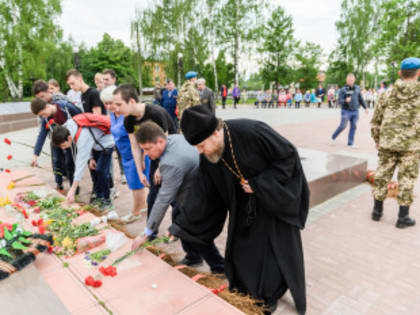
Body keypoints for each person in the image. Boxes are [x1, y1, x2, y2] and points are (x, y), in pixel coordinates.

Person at [170, 105, 310, 314]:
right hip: (244, 207)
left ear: (216, 132)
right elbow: (204, 193)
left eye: (201, 145)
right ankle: (249, 292)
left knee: (271, 254)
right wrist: (180, 225)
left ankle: (267, 296)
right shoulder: (209, 155)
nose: (200, 151)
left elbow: (288, 157)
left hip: (273, 202)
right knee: (241, 250)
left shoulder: (251, 131)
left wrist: (260, 184)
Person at [131, 122, 225, 273]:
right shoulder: (174, 138)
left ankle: (219, 267)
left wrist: (147, 233)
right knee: (177, 218)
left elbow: (162, 200)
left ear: (160, 141)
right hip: (192, 187)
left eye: (147, 149)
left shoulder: (171, 164)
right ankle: (193, 256)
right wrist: (160, 168)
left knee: (194, 231)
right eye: (143, 150)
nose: (146, 154)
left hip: (199, 195)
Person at [112, 84, 177, 235]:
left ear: (132, 102)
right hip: (155, 156)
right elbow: (135, 146)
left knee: (174, 198)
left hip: (171, 154)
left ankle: (177, 230)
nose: (116, 108)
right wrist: (140, 171)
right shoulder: (128, 120)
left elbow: (166, 142)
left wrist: (161, 168)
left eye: (119, 104)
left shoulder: (155, 113)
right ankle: (151, 233)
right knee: (153, 197)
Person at [370, 57, 420, 229]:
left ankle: (377, 212)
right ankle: (403, 217)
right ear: (419, 72)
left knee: (382, 175)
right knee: (407, 179)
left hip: (387, 143)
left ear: (400, 73)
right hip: (411, 146)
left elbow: (375, 121)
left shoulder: (386, 94)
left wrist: (378, 140)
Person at [100, 86, 150, 223]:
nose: (109, 106)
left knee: (136, 184)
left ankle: (135, 212)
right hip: (124, 154)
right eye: (106, 103)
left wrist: (143, 156)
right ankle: (143, 205)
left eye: (112, 103)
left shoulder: (127, 115)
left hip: (135, 153)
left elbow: (138, 137)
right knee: (134, 183)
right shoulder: (112, 115)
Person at [51, 114, 114, 208]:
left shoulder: (82, 137)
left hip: (106, 144)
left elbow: (80, 166)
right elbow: (89, 139)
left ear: (68, 138)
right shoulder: (67, 127)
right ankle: (100, 196)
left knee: (101, 171)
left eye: (63, 145)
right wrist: (91, 158)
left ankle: (108, 200)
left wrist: (72, 190)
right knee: (95, 169)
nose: (63, 148)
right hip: (95, 144)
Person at [30, 97, 81, 191]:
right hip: (56, 140)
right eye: (42, 116)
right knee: (56, 161)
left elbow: (81, 116)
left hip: (69, 140)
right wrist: (35, 154)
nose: (44, 117)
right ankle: (59, 183)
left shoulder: (65, 107)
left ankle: (74, 188)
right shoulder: (45, 118)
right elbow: (42, 134)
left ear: (47, 106)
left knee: (70, 163)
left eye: (43, 114)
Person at [331, 74, 368, 148]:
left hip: (355, 111)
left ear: (354, 80)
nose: (351, 81)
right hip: (346, 111)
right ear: (346, 80)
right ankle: (333, 136)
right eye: (349, 80)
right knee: (343, 126)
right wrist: (345, 100)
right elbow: (339, 101)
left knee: (354, 126)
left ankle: (350, 143)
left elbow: (360, 99)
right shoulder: (343, 89)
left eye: (352, 80)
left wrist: (365, 107)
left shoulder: (357, 88)